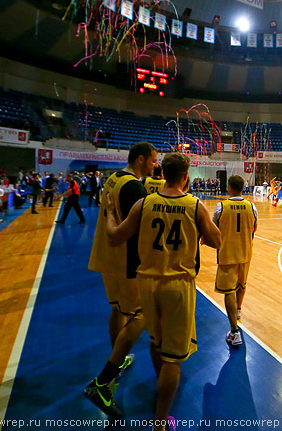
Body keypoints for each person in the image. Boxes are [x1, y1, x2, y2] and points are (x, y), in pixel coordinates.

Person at [105, 153, 221, 430]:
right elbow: (217, 241)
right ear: (186, 177)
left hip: (146, 284)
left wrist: (110, 212)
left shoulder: (143, 203)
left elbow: (114, 237)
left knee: (156, 343)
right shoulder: (194, 205)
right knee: (173, 358)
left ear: (162, 174)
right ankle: (160, 422)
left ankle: (149, 388)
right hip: (177, 286)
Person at [84, 142, 157, 418]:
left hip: (106, 258)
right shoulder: (134, 188)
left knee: (117, 308)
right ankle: (102, 382)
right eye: (152, 161)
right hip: (126, 262)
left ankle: (119, 354)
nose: (154, 165)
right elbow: (134, 232)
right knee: (141, 316)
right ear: (140, 160)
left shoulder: (113, 178)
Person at [212, 175, 258, 346]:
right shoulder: (251, 206)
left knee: (228, 291)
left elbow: (214, 227)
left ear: (229, 187)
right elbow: (254, 228)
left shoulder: (221, 206)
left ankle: (234, 332)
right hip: (245, 253)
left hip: (227, 254)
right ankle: (238, 311)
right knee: (242, 285)